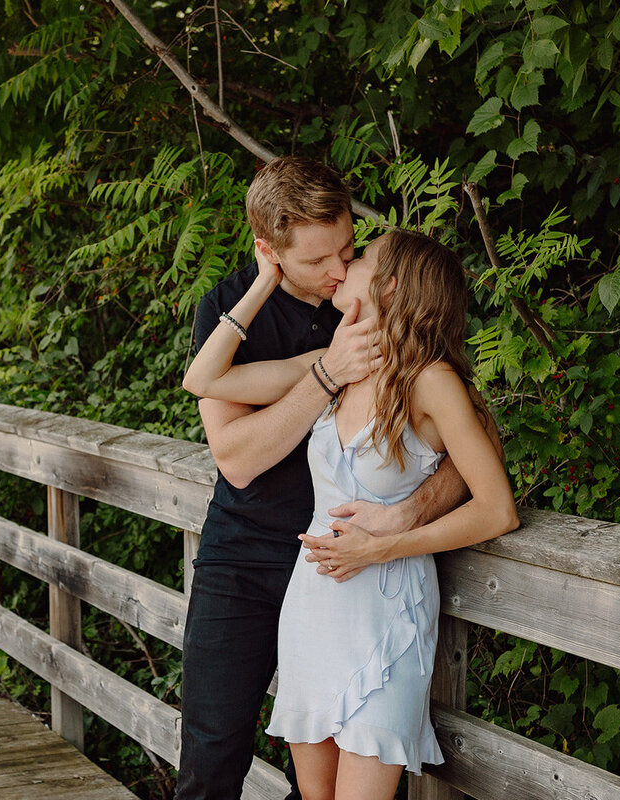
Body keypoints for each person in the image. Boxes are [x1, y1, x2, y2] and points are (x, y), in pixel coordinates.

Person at [177, 157, 478, 800]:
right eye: (317, 261)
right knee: (212, 751)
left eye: (348, 248)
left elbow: (463, 446)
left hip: (354, 564)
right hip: (248, 552)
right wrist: (325, 372)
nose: (339, 271)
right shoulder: (228, 310)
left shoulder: (376, 304)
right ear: (269, 251)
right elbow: (235, 457)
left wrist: (409, 514)